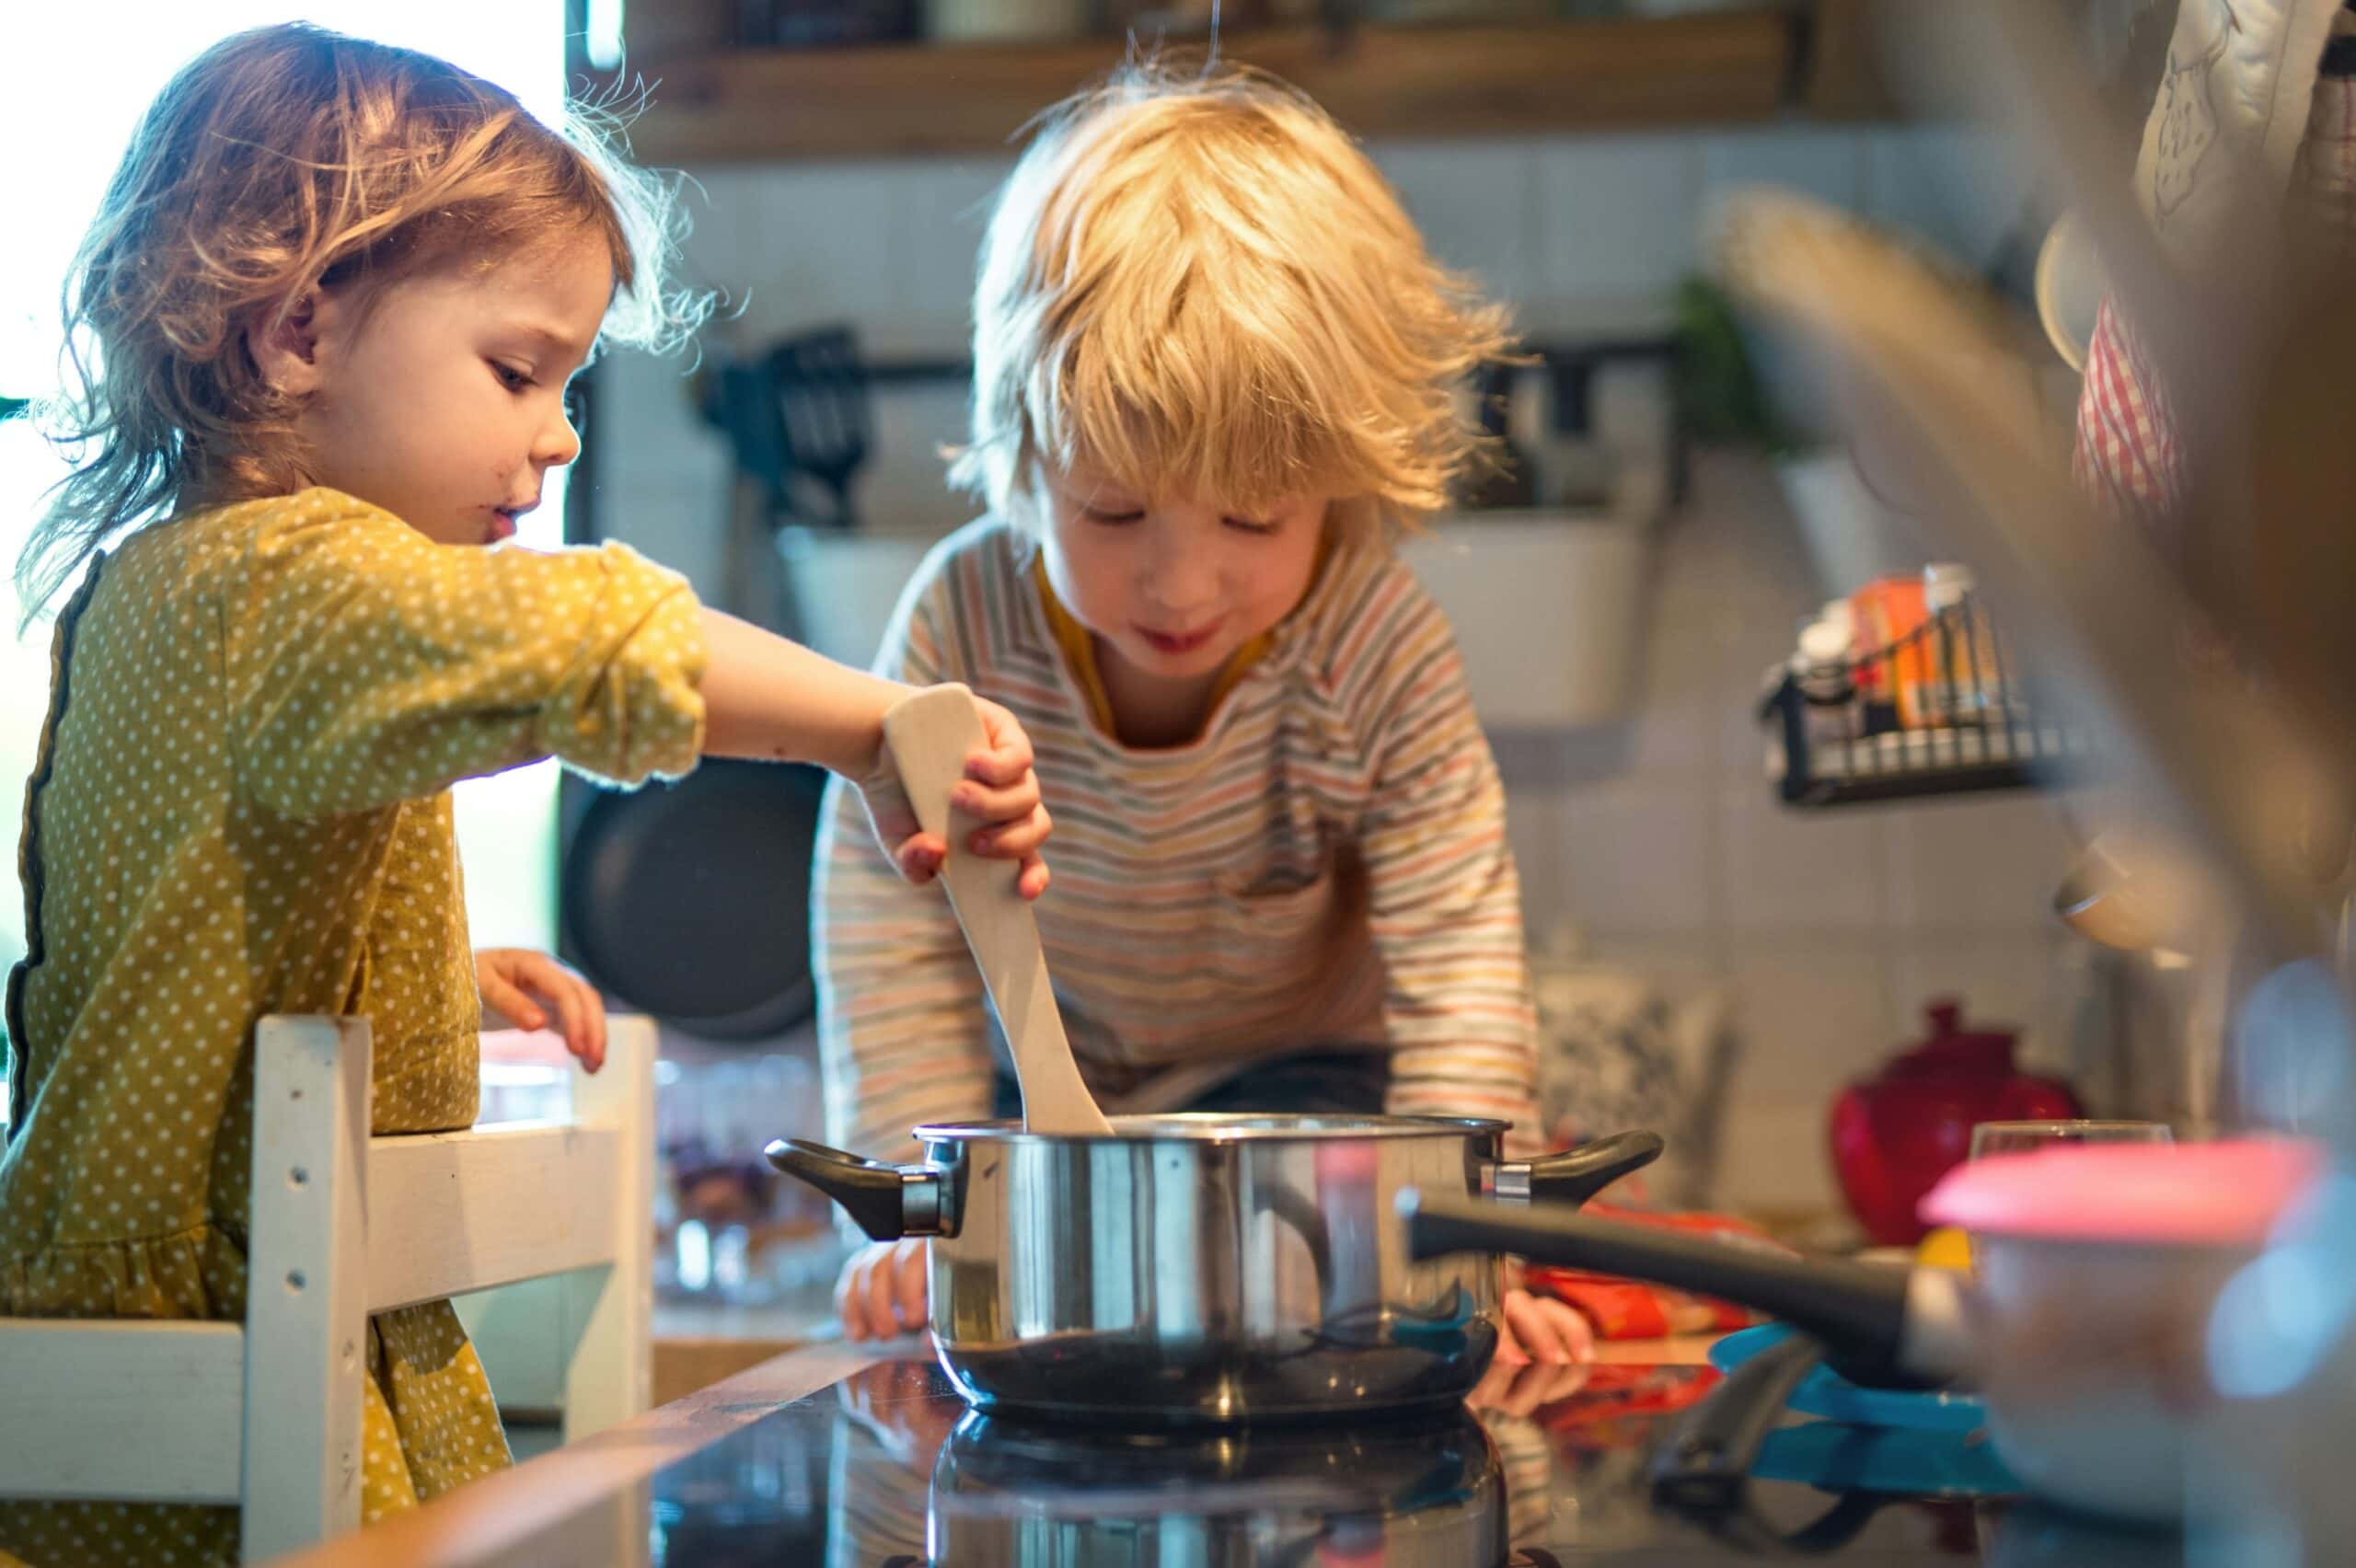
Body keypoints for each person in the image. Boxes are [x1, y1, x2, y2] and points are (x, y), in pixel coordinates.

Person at [0, 25, 1049, 1567]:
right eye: (517, 369)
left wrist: (427, 983)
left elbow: (175, 940)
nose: (558, 434)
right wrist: (876, 722)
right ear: (295, 334)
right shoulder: (286, 576)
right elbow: (589, 638)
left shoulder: (183, 589)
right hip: (210, 1355)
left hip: (184, 1303)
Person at [816, 60, 1591, 1368]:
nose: (1178, 584)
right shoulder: (961, 624)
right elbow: (892, 922)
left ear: (1340, 484)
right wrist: (913, 1206)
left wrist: (1464, 1239)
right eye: (1111, 513)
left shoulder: (1377, 642)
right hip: (1043, 1105)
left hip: (1317, 1105)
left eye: (1251, 517)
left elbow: (1459, 955)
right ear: (1023, 449)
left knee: (1318, 1339)